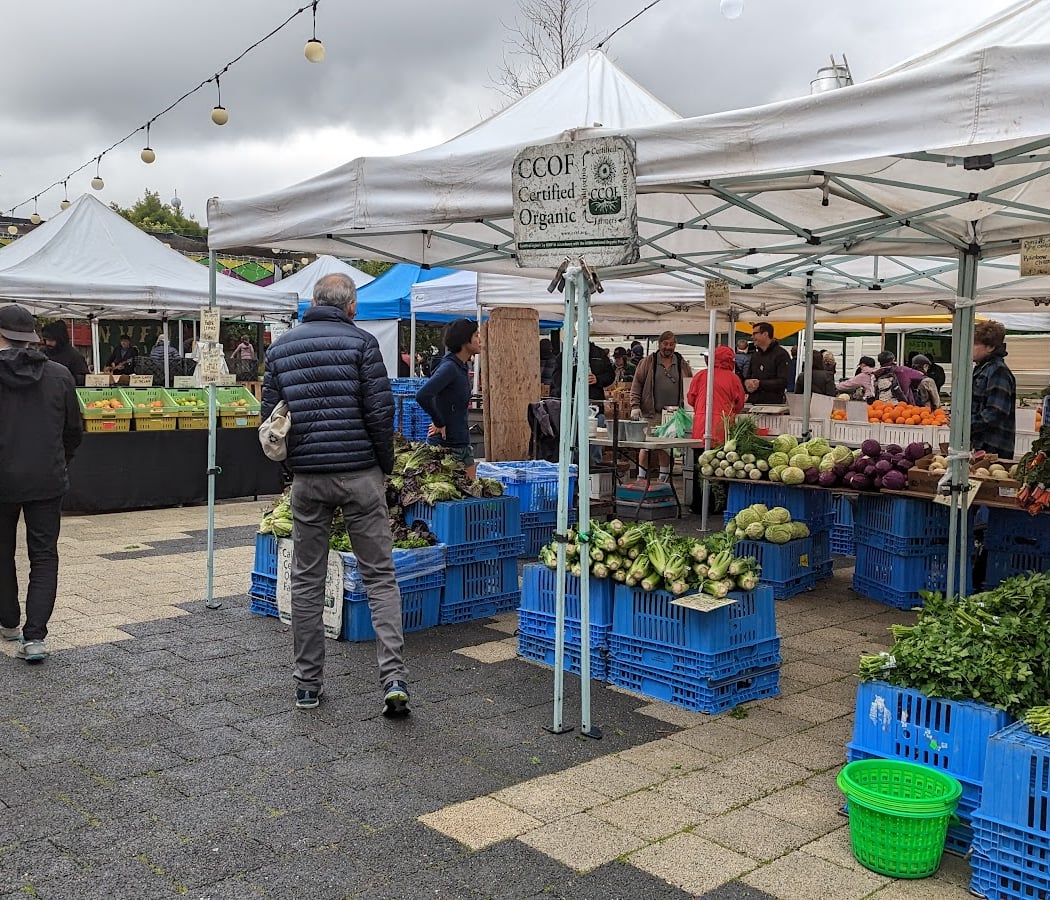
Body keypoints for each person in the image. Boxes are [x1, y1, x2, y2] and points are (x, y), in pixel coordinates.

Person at [261, 273, 409, 716]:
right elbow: (382, 413)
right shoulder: (364, 344)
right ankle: (393, 680)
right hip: (361, 473)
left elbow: (271, 417)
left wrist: (292, 468)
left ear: (312, 301)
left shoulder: (281, 347)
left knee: (307, 579)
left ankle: (307, 684)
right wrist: (383, 466)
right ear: (351, 307)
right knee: (379, 576)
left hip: (308, 478)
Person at [0, 305, 83, 662]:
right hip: (47, 477)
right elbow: (74, 432)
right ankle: (34, 637)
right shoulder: (60, 374)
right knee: (44, 555)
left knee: (2, 552)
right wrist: (60, 462)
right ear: (31, 336)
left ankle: (8, 621)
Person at [416, 318, 482, 479]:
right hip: (445, 447)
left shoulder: (461, 366)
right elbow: (423, 395)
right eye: (476, 335)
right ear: (464, 340)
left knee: (471, 496)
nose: (480, 339)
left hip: (462, 444)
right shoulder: (449, 368)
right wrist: (439, 422)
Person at [630, 331, 693, 479]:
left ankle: (663, 479)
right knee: (645, 447)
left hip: (673, 415)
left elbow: (690, 384)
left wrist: (689, 407)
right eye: (665, 344)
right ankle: (641, 477)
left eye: (671, 344)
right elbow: (636, 384)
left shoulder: (681, 362)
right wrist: (635, 406)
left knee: (665, 448)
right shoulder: (648, 362)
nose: (668, 347)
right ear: (659, 344)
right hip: (651, 413)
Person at [550, 339, 615, 466]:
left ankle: (593, 469)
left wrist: (598, 379)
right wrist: (574, 380)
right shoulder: (566, 355)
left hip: (595, 407)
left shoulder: (599, 354)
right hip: (571, 407)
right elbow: (556, 379)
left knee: (594, 442)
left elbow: (610, 376)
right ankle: (574, 469)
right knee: (573, 441)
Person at [971, 320, 1016, 459]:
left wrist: (966, 424)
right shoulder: (983, 368)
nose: (969, 348)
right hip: (981, 443)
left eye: (975, 344)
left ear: (990, 347)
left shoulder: (997, 371)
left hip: (993, 446)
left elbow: (996, 411)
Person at [687, 345, 746, 445]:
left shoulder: (700, 375)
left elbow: (690, 399)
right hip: (723, 427)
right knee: (719, 458)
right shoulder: (733, 379)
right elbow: (739, 404)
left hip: (701, 424)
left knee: (699, 458)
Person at [744, 323, 790, 405]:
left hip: (772, 405)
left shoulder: (781, 354)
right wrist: (747, 382)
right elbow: (748, 376)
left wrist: (760, 384)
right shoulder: (755, 356)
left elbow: (783, 381)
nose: (752, 337)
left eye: (755, 334)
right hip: (753, 404)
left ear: (765, 334)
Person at [39, 321, 87, 386]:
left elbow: (83, 379)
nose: (48, 343)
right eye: (45, 340)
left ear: (60, 339)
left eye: (51, 340)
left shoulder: (75, 356)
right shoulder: (42, 353)